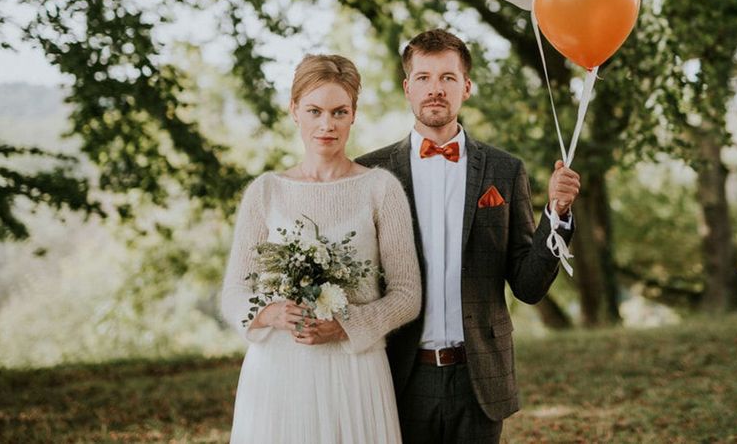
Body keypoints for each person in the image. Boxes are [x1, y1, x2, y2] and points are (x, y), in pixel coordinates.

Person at [357, 29, 581, 443]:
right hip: (398, 376)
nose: (435, 89)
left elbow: (528, 286)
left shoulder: (504, 170)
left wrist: (557, 214)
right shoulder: (368, 174)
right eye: (423, 78)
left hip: (480, 378)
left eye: (448, 77)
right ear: (408, 88)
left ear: (467, 87)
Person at [220, 54, 421, 444]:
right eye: (314, 111)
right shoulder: (266, 191)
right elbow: (233, 294)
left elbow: (407, 295)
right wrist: (271, 313)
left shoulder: (381, 189)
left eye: (339, 112)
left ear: (353, 114)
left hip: (355, 371)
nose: (327, 125)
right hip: (279, 374)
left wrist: (347, 325)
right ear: (294, 111)